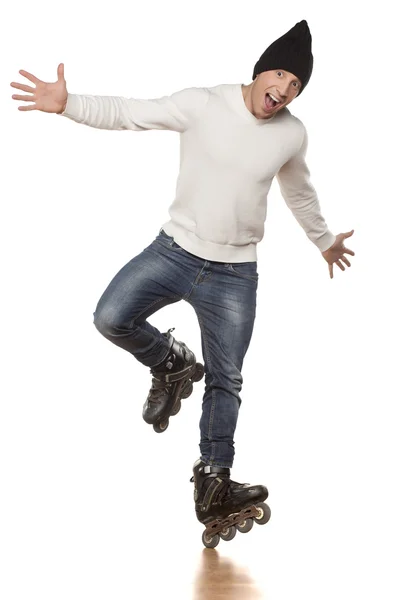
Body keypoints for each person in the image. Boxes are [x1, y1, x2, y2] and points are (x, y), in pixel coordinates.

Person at [10, 20, 355, 546]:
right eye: (280, 75)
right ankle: (170, 363)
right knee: (110, 317)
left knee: (227, 379)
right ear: (261, 69)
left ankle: (214, 480)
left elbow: (299, 192)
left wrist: (324, 240)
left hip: (235, 274)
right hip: (174, 251)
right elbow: (130, 113)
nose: (283, 91)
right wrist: (68, 103)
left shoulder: (292, 133)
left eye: (296, 86)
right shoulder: (205, 103)